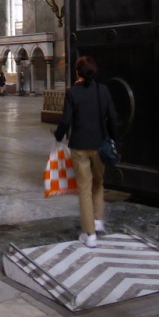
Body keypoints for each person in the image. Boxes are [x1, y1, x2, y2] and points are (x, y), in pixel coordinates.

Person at [54, 55, 119, 248]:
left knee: (84, 189)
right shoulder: (103, 91)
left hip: (80, 145)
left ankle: (89, 234)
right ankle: (98, 221)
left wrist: (58, 136)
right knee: (99, 183)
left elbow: (66, 120)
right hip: (100, 144)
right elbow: (113, 118)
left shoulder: (72, 92)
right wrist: (115, 139)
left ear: (77, 72)